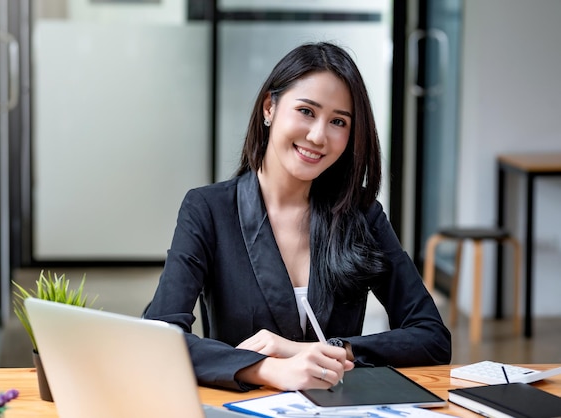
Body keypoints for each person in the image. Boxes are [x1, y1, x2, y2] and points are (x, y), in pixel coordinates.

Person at [144, 41, 451, 392]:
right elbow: (159, 336)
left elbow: (432, 337)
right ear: (269, 108)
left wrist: (329, 352)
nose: (318, 135)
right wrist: (265, 369)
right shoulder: (208, 209)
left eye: (338, 121)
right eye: (306, 111)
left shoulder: (362, 214)